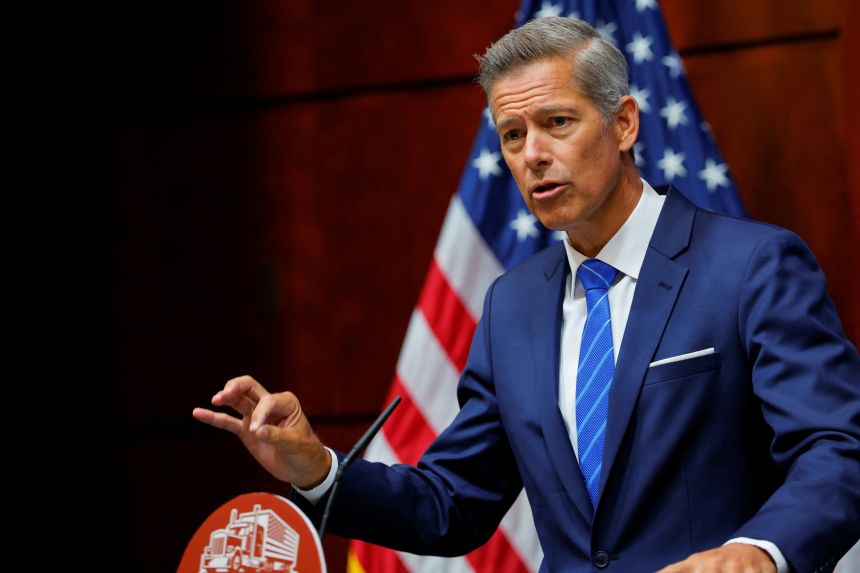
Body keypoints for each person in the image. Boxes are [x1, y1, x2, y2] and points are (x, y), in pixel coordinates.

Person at [193, 17, 860, 572]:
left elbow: (838, 448)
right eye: (512, 136)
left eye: (557, 123)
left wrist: (758, 552)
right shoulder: (513, 303)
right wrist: (319, 468)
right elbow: (455, 499)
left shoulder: (751, 266)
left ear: (624, 123)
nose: (532, 154)